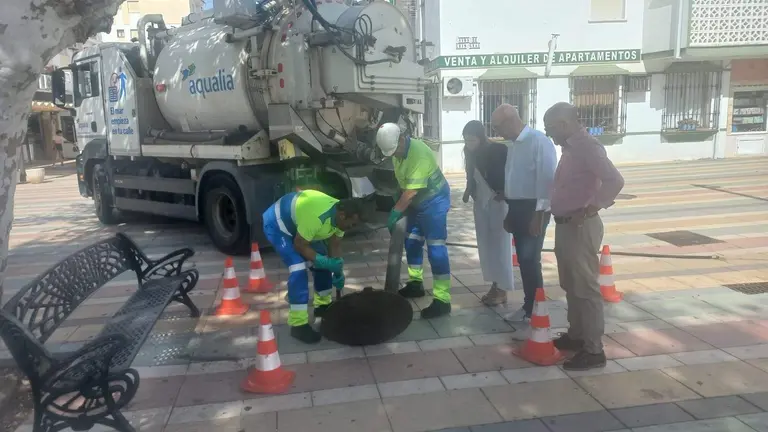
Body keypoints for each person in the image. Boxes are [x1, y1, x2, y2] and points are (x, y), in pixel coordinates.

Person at [544, 102, 625, 371]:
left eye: (550, 129)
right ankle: (576, 335)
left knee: (586, 288)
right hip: (566, 225)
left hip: (581, 226)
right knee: (570, 283)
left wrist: (593, 206)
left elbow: (615, 180)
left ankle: (593, 350)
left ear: (564, 124)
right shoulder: (570, 148)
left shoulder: (588, 148)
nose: (549, 135)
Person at [262, 189, 366, 343]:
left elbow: (335, 244)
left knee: (323, 263)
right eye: (352, 224)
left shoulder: (340, 217)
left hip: (302, 226)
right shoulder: (318, 217)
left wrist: (337, 270)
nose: (352, 227)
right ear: (342, 215)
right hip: (279, 226)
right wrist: (323, 261)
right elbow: (299, 245)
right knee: (298, 268)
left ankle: (323, 307)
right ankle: (298, 325)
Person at [490, 104, 557, 326]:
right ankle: (530, 305)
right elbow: (514, 178)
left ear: (510, 121)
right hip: (517, 207)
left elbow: (547, 180)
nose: (497, 132)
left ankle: (535, 308)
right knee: (524, 260)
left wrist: (540, 214)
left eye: (498, 126)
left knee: (530, 259)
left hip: (534, 209)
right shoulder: (514, 145)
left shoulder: (539, 142)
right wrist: (509, 207)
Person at [376, 123, 452, 319]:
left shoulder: (418, 153)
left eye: (394, 150)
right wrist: (398, 203)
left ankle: (442, 300)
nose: (393, 154)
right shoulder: (397, 154)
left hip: (434, 201)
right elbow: (403, 185)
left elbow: (410, 192)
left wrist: (394, 213)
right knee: (412, 242)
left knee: (436, 248)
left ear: (402, 138)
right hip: (417, 202)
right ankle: (416, 284)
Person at [461, 120, 515, 306]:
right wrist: (469, 191)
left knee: (500, 245)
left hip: (498, 203)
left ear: (481, 137)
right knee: (486, 244)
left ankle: (503, 287)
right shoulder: (469, 152)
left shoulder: (497, 150)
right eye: (466, 140)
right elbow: (471, 174)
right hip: (481, 202)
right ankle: (494, 284)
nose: (469, 143)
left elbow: (509, 172)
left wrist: (505, 191)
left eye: (472, 139)